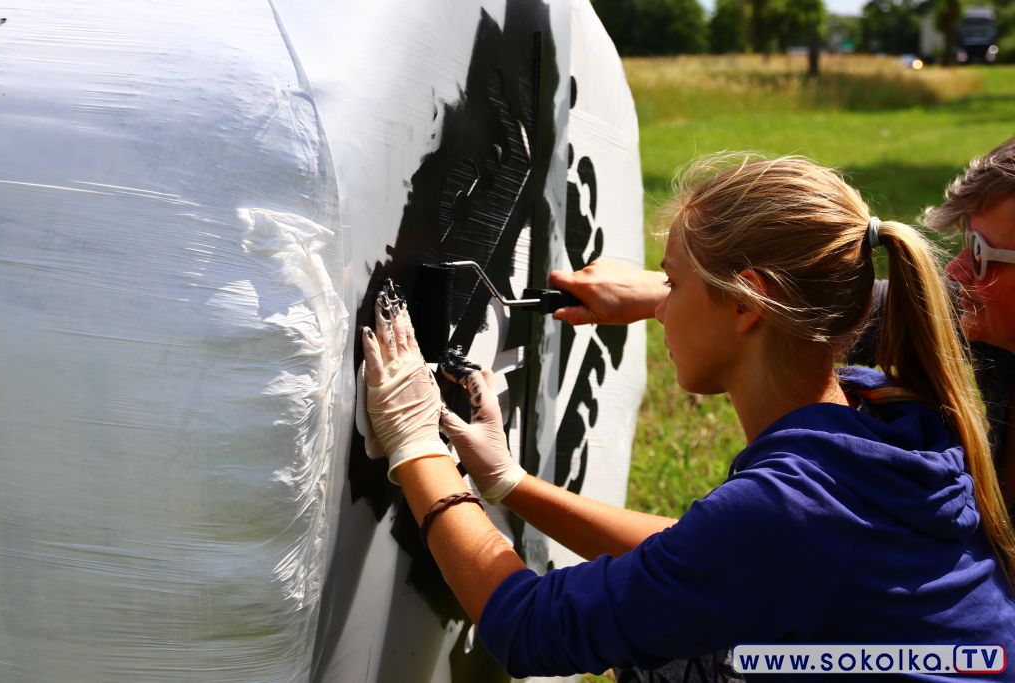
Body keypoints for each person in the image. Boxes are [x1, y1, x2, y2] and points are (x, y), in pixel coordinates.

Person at [360, 154, 1015, 679]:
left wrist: (417, 447)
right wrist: (510, 483)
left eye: (672, 283)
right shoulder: (885, 410)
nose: (659, 306)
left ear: (748, 302)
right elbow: (707, 553)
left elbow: (529, 626)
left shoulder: (783, 508)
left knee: (670, 659)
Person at [553, 137, 1015, 520]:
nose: (955, 271)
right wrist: (681, 289)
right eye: (965, 241)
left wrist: (510, 483)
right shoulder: (899, 431)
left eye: (981, 252)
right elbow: (872, 307)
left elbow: (694, 561)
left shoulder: (786, 505)